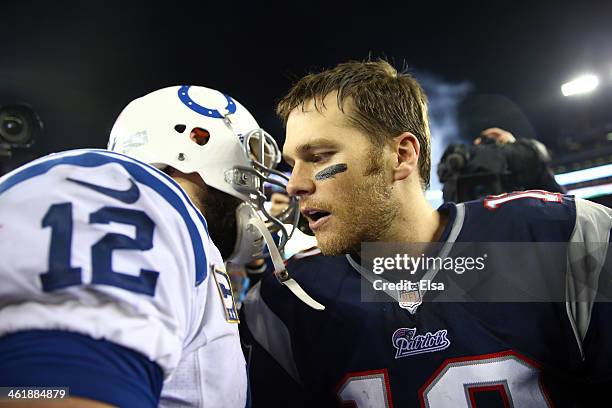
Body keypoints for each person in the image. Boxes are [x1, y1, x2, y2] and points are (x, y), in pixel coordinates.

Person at [238, 60, 612, 407]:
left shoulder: (551, 237)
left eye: (318, 157)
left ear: (400, 156)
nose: (295, 185)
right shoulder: (288, 302)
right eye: (292, 164)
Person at [0, 85, 292, 407]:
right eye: (250, 166)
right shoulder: (130, 198)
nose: (256, 191)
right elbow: (60, 392)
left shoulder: (169, 216)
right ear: (196, 141)